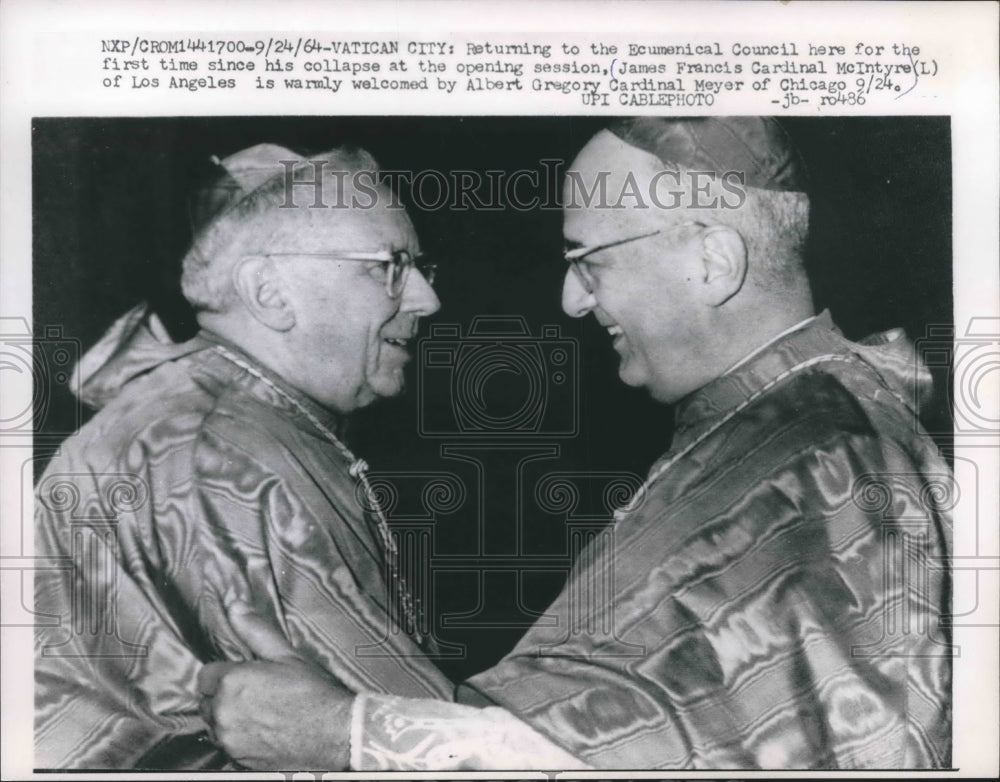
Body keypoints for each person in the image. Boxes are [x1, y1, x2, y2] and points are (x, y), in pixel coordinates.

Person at [198, 117, 953, 770]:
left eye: (589, 260)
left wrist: (349, 733)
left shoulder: (822, 453)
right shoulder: (772, 423)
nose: (573, 301)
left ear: (713, 262)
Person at [33, 143, 455, 769]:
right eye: (388, 267)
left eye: (421, 268)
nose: (425, 299)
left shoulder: (218, 411)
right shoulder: (225, 453)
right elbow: (409, 739)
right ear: (269, 290)